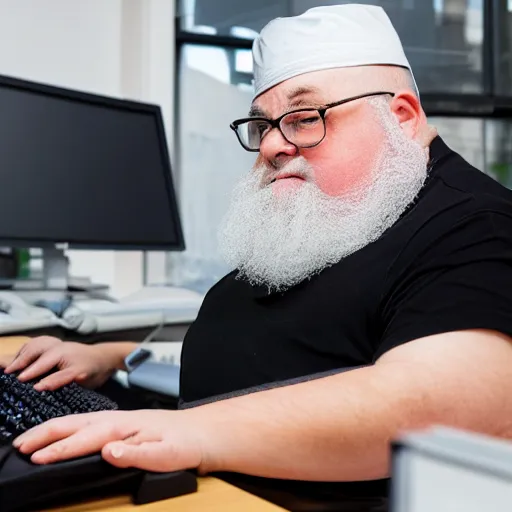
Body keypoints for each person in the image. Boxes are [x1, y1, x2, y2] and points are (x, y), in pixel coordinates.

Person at [3, 3, 512, 504]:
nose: (271, 146)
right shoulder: (331, 217)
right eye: (264, 125)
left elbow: (445, 405)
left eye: (304, 116)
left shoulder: (476, 223)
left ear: (400, 117)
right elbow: (284, 355)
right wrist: (112, 357)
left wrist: (190, 433)